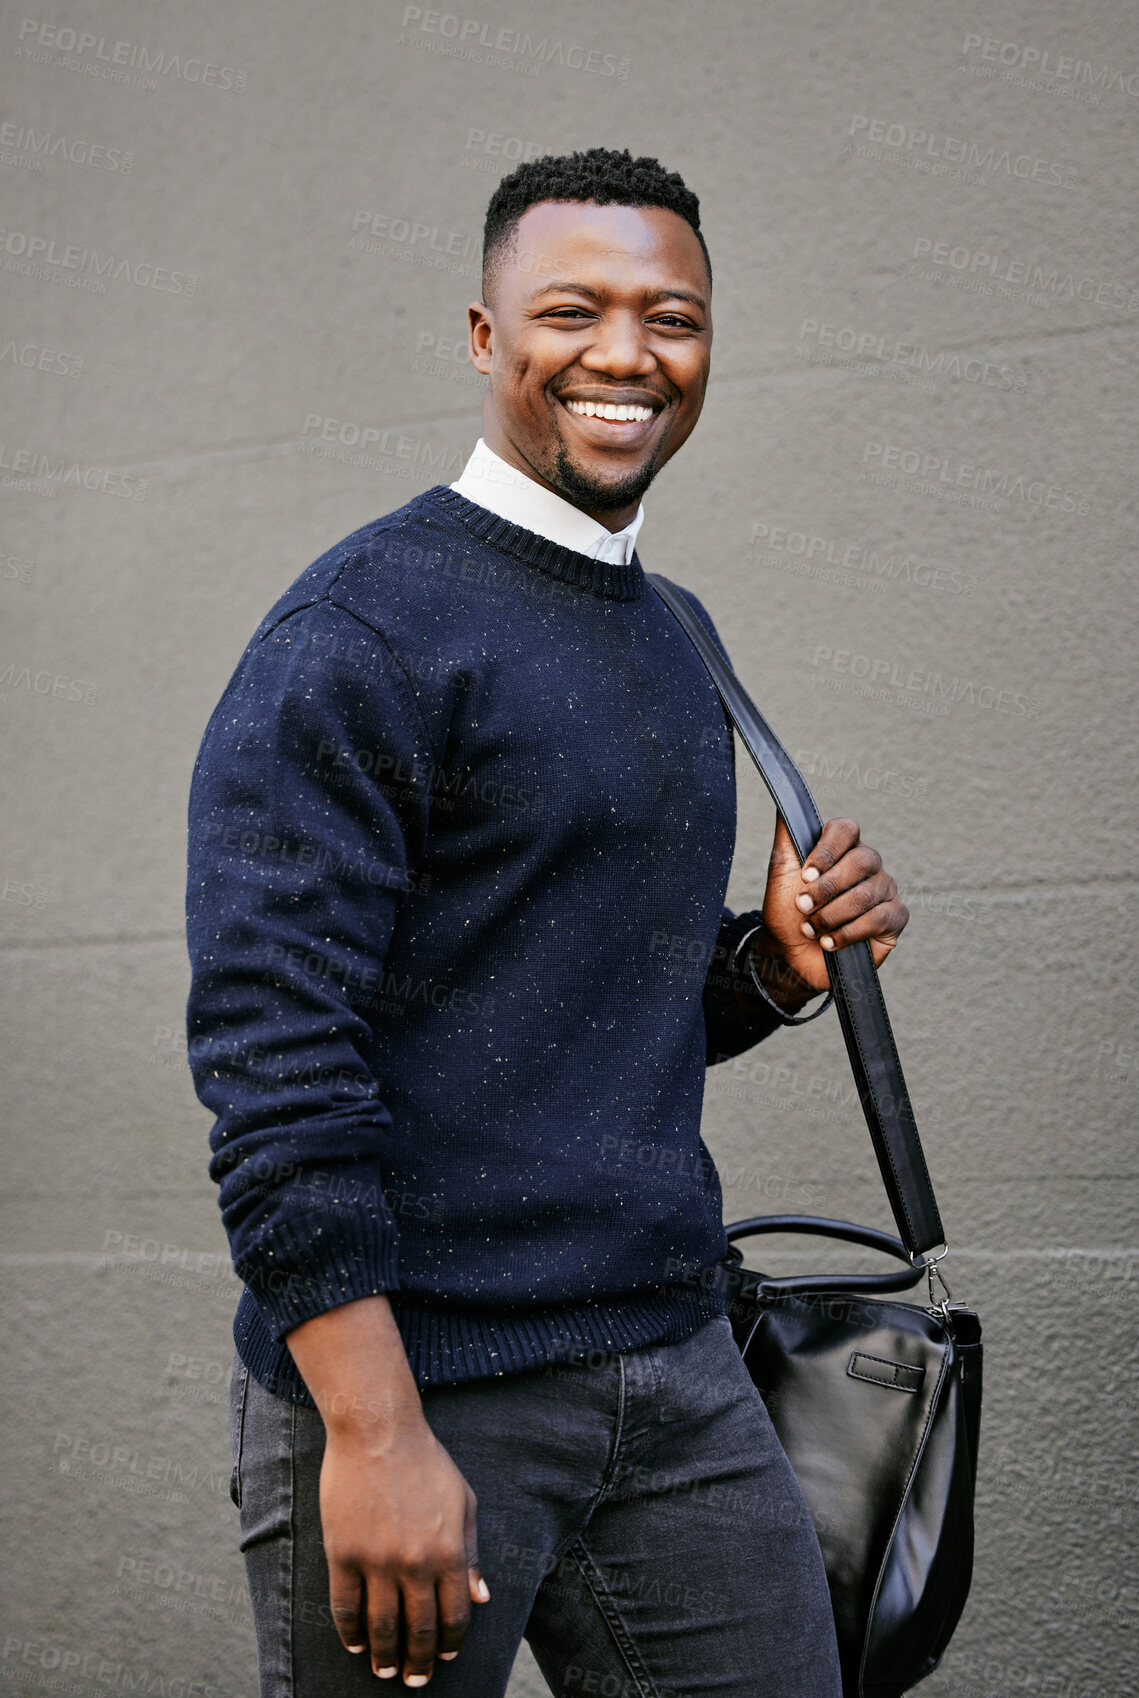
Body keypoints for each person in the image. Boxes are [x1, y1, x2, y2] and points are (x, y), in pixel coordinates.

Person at [186, 147, 909, 1697]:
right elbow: (271, 1060)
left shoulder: (672, 630)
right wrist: (374, 1431)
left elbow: (575, 1011)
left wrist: (768, 969)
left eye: (674, 316)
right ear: (482, 333)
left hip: (675, 1360)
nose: (627, 356)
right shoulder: (362, 630)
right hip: (421, 1385)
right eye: (572, 309)